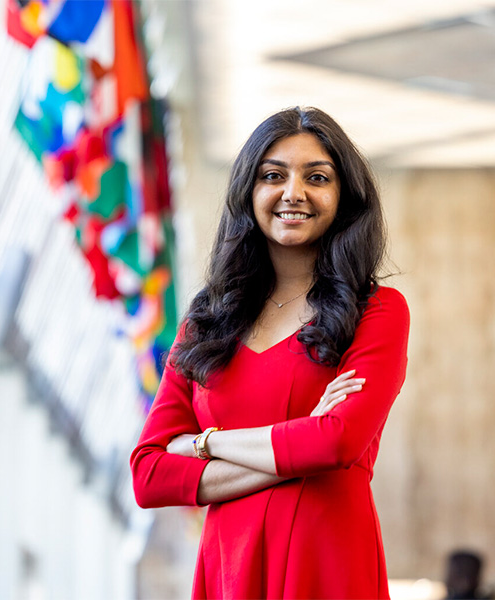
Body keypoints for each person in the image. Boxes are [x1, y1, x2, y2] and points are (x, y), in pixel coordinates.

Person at [130, 106, 410, 599]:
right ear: (249, 192)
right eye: (272, 175)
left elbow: (336, 443)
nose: (293, 192)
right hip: (229, 569)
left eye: (317, 177)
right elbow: (149, 474)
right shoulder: (205, 323)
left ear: (343, 197)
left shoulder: (378, 312)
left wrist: (205, 442)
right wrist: (301, 438)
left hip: (327, 562)